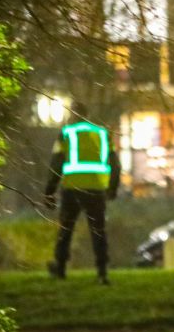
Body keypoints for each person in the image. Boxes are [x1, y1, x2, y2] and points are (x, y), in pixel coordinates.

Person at [45, 103, 120, 284]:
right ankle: (102, 272)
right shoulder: (102, 134)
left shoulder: (67, 133)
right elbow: (115, 163)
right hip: (97, 189)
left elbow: (57, 163)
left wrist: (50, 191)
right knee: (98, 231)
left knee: (66, 229)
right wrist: (112, 187)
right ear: (87, 114)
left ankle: (61, 268)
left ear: (72, 115)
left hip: (72, 188)